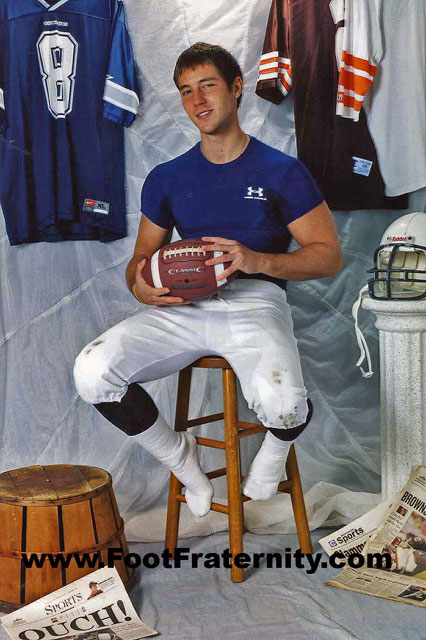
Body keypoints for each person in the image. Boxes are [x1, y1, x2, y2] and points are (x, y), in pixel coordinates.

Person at [73, 42, 342, 519]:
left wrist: (258, 260)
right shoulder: (167, 177)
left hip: (255, 302)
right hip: (186, 305)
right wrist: (140, 286)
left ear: (236, 88)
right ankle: (182, 458)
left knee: (285, 407)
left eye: (208, 86)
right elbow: (139, 261)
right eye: (185, 91)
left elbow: (328, 257)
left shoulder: (282, 171)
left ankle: (274, 453)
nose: (197, 101)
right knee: (92, 373)